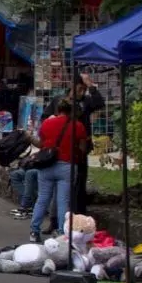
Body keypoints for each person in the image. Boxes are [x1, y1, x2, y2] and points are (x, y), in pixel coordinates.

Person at [29, 98, 87, 243]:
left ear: (57, 110)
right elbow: (83, 149)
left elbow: (41, 143)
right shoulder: (78, 126)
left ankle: (34, 231)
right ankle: (62, 233)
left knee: (42, 199)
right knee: (63, 202)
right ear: (72, 111)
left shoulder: (47, 123)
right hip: (67, 166)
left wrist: (28, 137)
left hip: (47, 165)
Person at [47, 74, 104, 215]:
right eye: (79, 89)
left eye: (84, 90)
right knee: (60, 186)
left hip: (80, 149)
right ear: (72, 86)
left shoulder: (86, 101)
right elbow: (46, 116)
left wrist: (90, 86)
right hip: (61, 148)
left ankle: (79, 215)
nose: (81, 92)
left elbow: (100, 103)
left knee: (79, 183)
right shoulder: (58, 101)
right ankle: (56, 220)